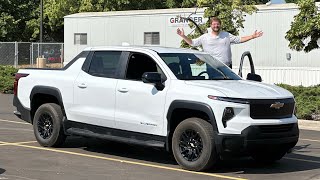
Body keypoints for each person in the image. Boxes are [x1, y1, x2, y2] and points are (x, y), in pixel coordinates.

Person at [177, 17, 263, 69]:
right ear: (211, 26)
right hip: (211, 67)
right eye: (214, 24)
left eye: (217, 24)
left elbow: (239, 39)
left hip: (226, 67)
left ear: (220, 25)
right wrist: (183, 36)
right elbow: (192, 43)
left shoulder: (226, 35)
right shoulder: (205, 37)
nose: (216, 26)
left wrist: (252, 36)